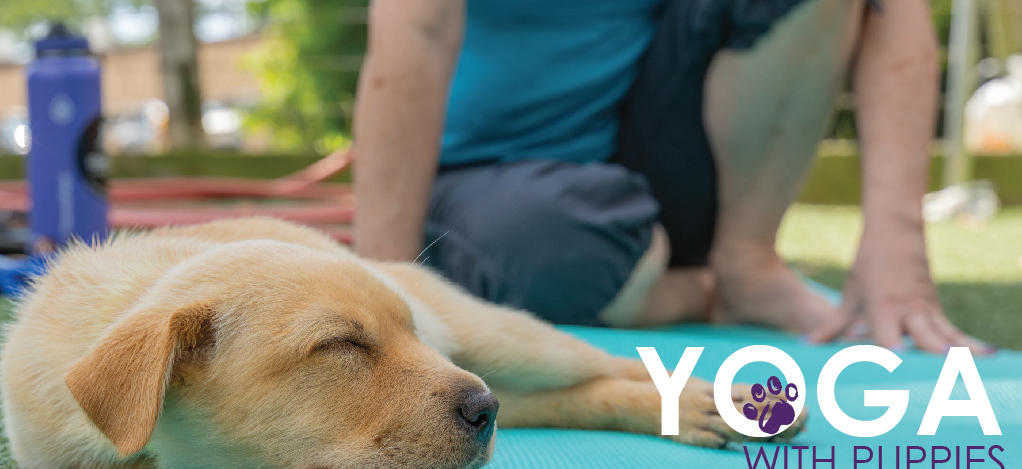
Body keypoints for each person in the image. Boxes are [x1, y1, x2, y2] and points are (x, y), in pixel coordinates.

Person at [351, 0, 991, 355]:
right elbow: (418, 32)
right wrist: (385, 299)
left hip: (651, 168)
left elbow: (892, 10)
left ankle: (744, 265)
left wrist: (898, 246)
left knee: (581, 243)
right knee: (555, 243)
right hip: (496, 186)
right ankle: (694, 291)